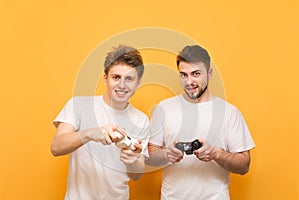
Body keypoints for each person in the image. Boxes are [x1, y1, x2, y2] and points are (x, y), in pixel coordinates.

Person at [146, 45, 255, 199]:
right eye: (183, 75)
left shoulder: (230, 113)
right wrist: (166, 154)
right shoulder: (164, 108)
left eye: (195, 74)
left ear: (209, 74)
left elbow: (244, 166)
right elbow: (150, 158)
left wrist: (216, 153)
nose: (189, 81)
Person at [51, 45, 150, 200]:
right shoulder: (78, 105)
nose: (122, 85)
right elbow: (56, 147)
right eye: (116, 77)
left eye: (129, 79)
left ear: (138, 83)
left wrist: (132, 161)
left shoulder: (141, 120)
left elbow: (136, 175)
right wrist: (90, 133)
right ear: (105, 78)